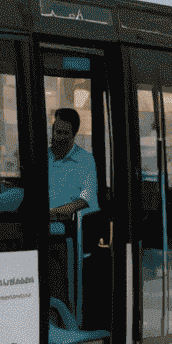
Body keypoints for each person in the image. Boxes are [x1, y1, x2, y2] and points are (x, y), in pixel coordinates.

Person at [47, 107, 98, 304]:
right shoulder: (45, 157)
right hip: (40, 228)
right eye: (56, 131)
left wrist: (54, 212)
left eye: (64, 134)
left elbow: (85, 199)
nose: (58, 137)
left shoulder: (84, 160)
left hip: (67, 232)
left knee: (61, 285)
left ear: (73, 134)